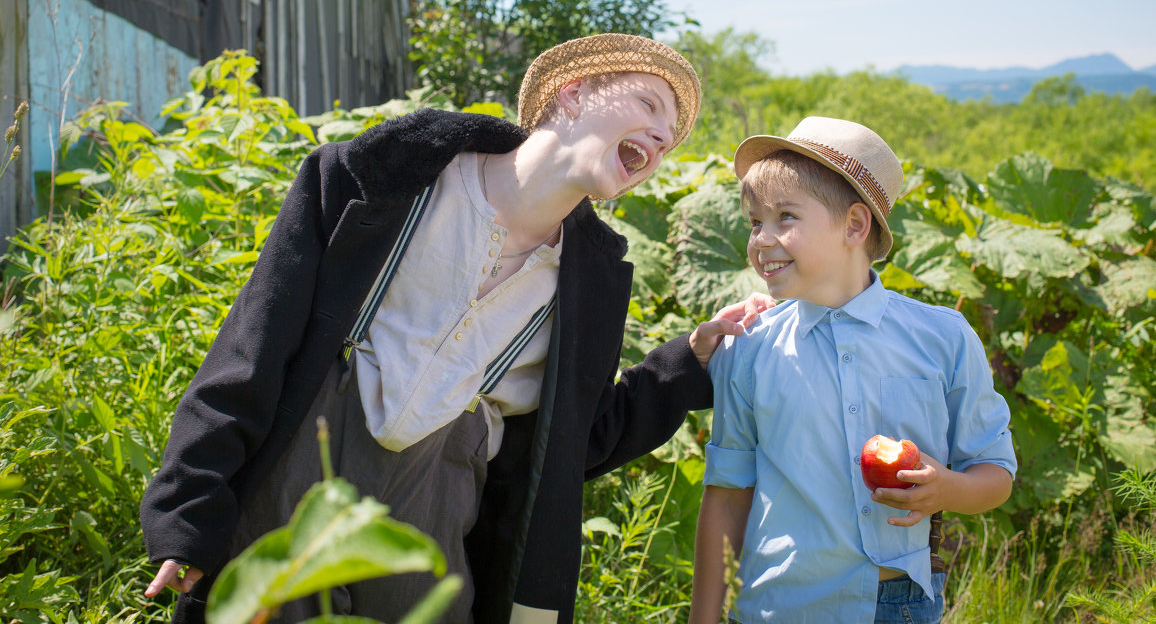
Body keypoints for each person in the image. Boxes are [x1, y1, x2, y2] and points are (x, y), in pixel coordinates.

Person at [140, 33, 767, 624]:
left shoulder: (593, 281)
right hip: (296, 482)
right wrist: (190, 509)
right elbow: (253, 347)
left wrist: (690, 360)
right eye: (649, 105)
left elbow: (580, 437)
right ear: (571, 92)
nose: (660, 138)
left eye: (669, 139)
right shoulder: (378, 182)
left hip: (433, 512)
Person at [689, 117, 1017, 624]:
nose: (762, 240)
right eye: (756, 222)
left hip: (897, 606)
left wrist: (946, 488)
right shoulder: (749, 347)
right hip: (777, 607)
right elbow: (728, 496)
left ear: (855, 226)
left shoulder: (943, 338)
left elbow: (994, 474)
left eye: (786, 217)